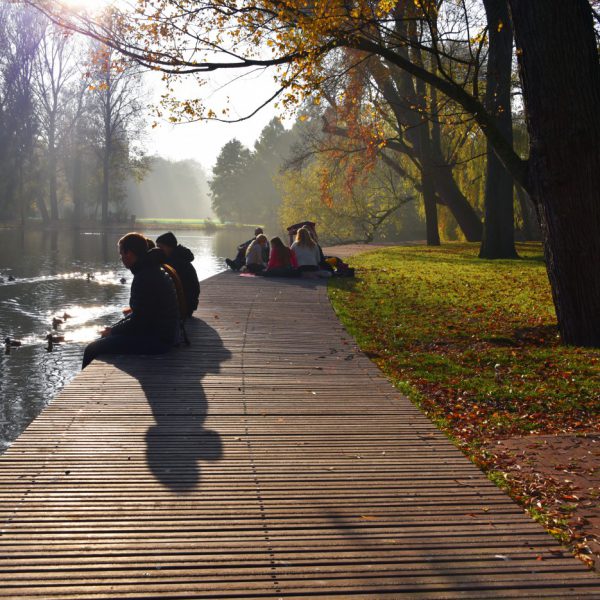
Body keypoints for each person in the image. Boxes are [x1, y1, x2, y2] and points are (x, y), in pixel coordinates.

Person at [82, 232, 179, 369]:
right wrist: (114, 328)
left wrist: (113, 332)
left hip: (158, 341)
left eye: (122, 254)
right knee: (108, 338)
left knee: (91, 349)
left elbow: (139, 321)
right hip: (166, 334)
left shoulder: (144, 276)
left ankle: (86, 389)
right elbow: (140, 314)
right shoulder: (150, 269)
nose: (121, 258)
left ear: (130, 254)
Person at [156, 232, 200, 318]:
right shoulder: (179, 257)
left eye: (160, 247)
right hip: (188, 305)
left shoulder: (175, 262)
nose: (158, 250)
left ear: (170, 247)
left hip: (183, 307)